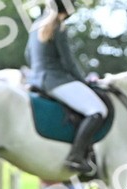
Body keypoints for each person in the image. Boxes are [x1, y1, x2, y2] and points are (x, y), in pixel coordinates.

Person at [25, 1, 107, 177]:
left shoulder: (36, 24)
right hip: (56, 80)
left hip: (37, 80)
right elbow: (68, 62)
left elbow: (28, 55)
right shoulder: (59, 26)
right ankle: (76, 156)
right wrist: (84, 82)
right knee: (98, 110)